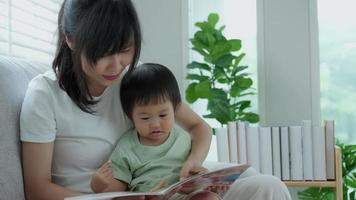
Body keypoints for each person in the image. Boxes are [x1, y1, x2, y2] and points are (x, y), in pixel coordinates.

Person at [19, 0, 291, 200]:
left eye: (125, 50)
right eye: (103, 53)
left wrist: (192, 162)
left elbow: (199, 127)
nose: (117, 65)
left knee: (266, 186)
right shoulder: (45, 95)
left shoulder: (134, 80)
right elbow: (37, 189)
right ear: (71, 40)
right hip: (91, 197)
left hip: (162, 187)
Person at [90, 63, 221, 200]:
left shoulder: (184, 138)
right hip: (148, 197)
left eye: (163, 115)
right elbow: (118, 189)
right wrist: (99, 185)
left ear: (175, 109)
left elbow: (195, 173)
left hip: (182, 197)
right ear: (131, 116)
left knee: (208, 197)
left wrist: (198, 174)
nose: (155, 124)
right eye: (145, 118)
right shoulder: (126, 147)